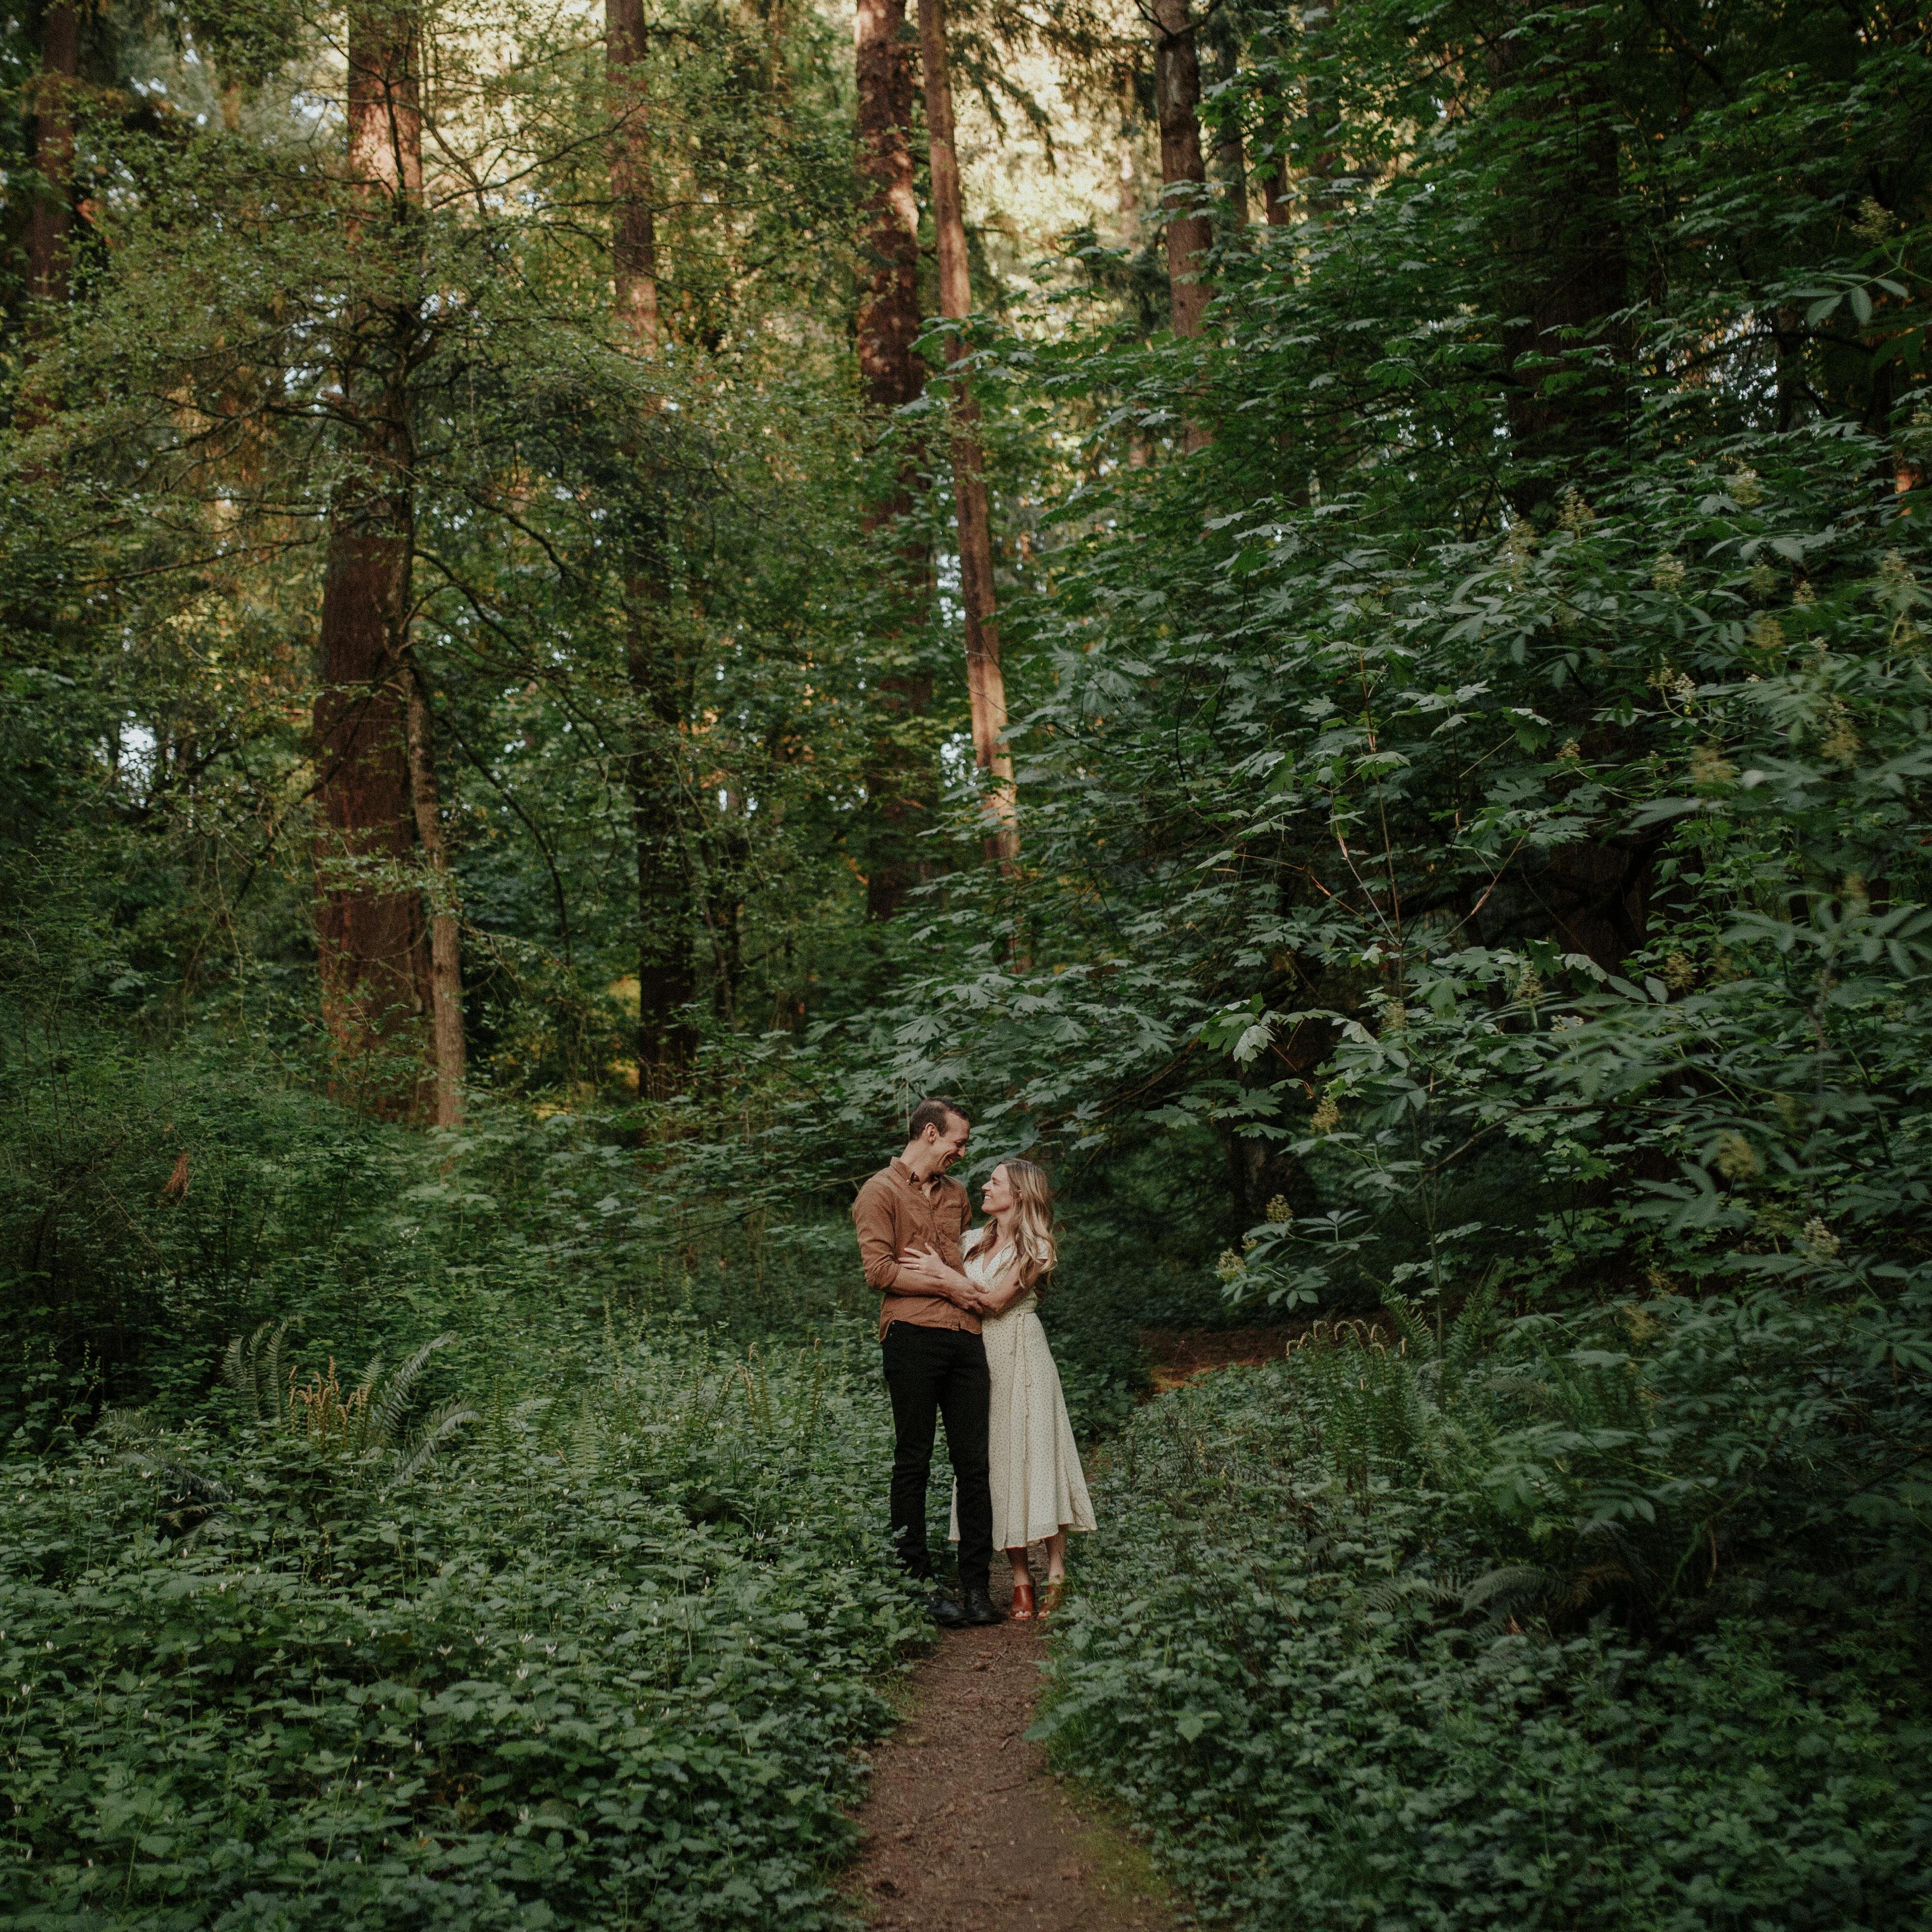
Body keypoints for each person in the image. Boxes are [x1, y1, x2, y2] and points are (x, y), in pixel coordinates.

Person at [897, 1158, 1095, 1621]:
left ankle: (1057, 1573)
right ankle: (1021, 1579)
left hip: (1024, 1355)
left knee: (1038, 1454)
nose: (984, 1186)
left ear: (1019, 1193)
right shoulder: (971, 1241)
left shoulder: (1038, 1247)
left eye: (995, 1181)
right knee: (995, 1464)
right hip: (978, 1358)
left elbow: (994, 1302)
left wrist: (943, 1274)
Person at [851, 1096, 1002, 1629]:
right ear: (931, 1133)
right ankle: (917, 1585)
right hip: (911, 1335)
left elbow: (964, 1262)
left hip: (966, 1338)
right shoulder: (878, 1192)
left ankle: (976, 1586)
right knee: (913, 1459)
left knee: (974, 1464)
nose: (963, 1152)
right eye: (959, 1141)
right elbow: (879, 1272)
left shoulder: (957, 1195)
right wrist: (948, 1286)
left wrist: (958, 1286)